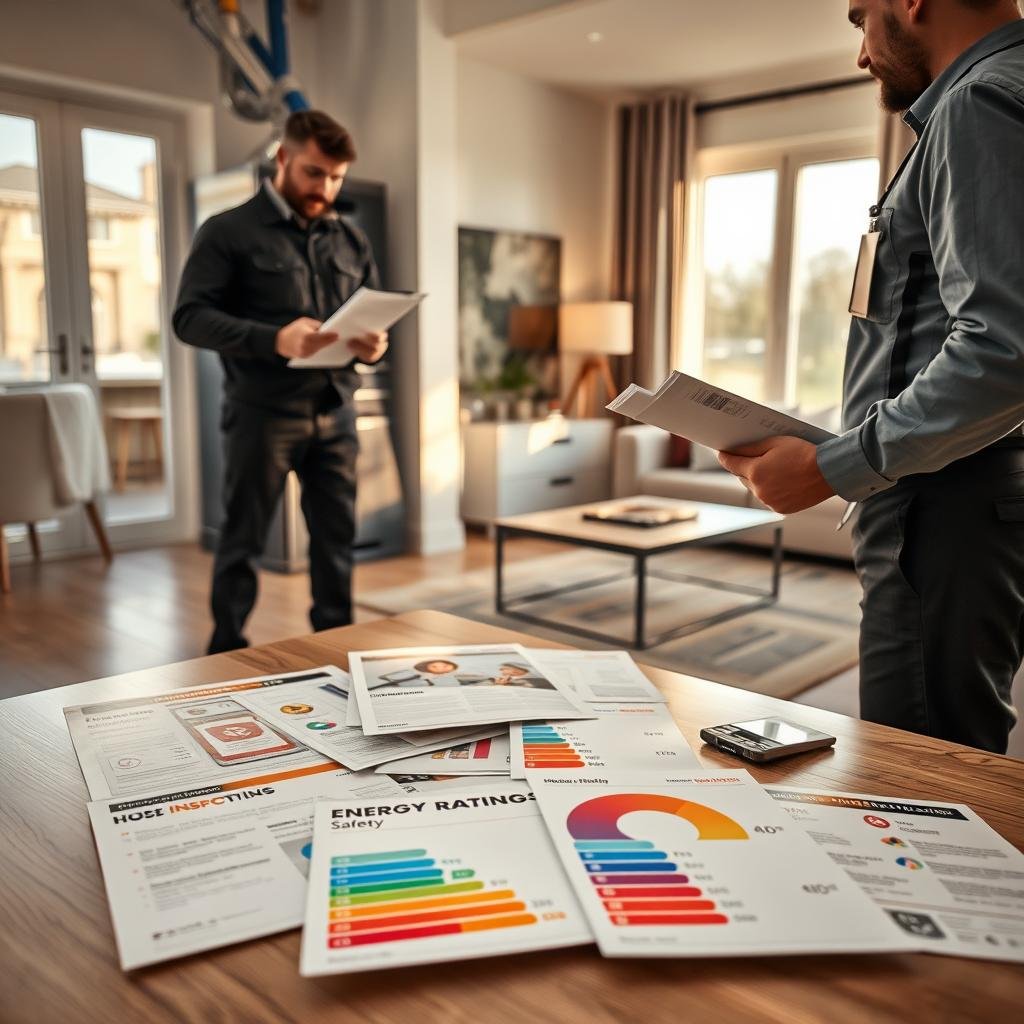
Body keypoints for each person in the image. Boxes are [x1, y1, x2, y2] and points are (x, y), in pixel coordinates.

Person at [716, 0, 1024, 754]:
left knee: (917, 769)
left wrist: (831, 465)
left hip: (939, 506)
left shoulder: (978, 101)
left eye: (860, 18)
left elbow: (1004, 347)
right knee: (954, 747)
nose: (861, 53)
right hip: (969, 497)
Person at [173, 110, 388, 654]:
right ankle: (224, 651)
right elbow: (190, 318)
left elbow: (369, 316)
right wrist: (275, 338)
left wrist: (375, 345)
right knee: (242, 541)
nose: (326, 188)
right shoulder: (226, 231)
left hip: (336, 411)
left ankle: (337, 652)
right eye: (315, 173)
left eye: (336, 177)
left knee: (336, 544)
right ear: (283, 158)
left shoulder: (351, 239)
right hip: (260, 414)